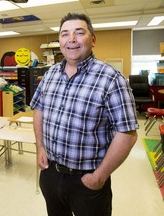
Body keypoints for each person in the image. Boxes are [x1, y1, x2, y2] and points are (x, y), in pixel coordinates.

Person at [30, 13, 138, 216]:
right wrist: (40, 148)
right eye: (65, 34)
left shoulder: (112, 79)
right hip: (50, 174)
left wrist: (100, 176)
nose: (71, 39)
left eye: (79, 33)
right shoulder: (50, 75)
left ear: (93, 39)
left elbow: (127, 134)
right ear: (60, 41)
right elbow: (39, 109)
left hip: (87, 181)